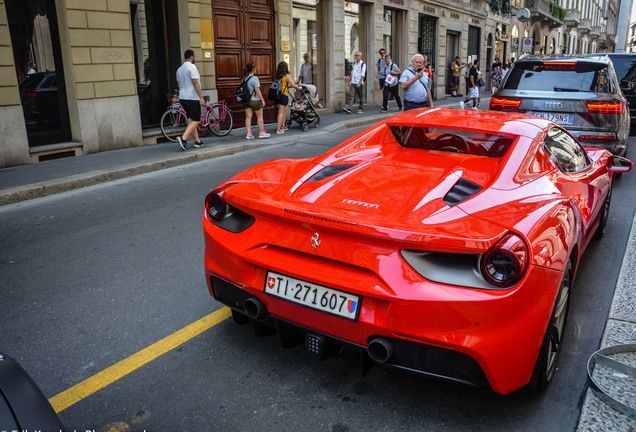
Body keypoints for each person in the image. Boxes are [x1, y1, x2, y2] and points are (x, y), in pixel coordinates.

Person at [175, 49, 205, 151]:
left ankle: (198, 141)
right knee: (196, 120)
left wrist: (182, 95)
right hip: (192, 97)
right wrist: (201, 97)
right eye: (195, 56)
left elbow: (179, 85)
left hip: (183, 97)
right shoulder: (192, 67)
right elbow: (195, 82)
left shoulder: (179, 69)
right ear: (191, 57)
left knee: (191, 120)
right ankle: (183, 138)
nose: (195, 58)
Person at [241, 62, 269, 139]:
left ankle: (249, 134)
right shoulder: (254, 78)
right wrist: (262, 100)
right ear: (253, 69)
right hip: (254, 100)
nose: (256, 69)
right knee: (260, 117)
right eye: (255, 68)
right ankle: (261, 133)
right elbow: (257, 90)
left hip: (246, 101)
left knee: (248, 117)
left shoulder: (244, 79)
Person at [275, 61, 301, 134]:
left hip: (278, 95)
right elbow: (293, 85)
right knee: (281, 112)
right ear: (286, 67)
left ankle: (283, 126)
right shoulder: (287, 76)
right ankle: (278, 129)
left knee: (283, 110)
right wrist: (299, 88)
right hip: (284, 95)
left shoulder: (278, 76)